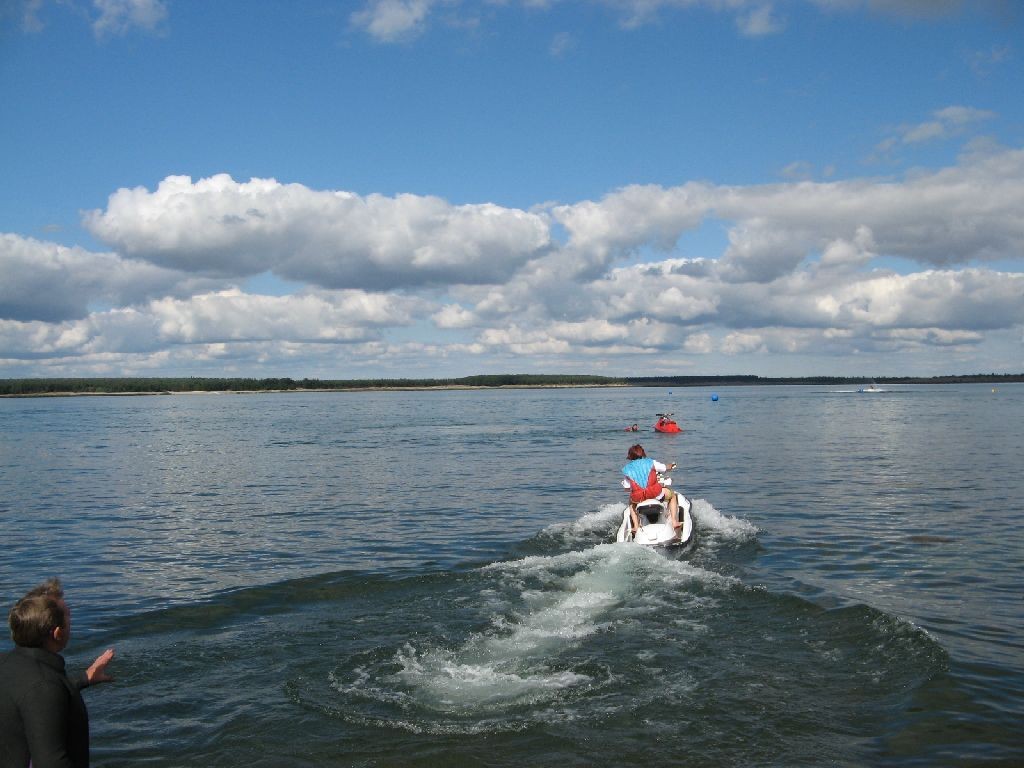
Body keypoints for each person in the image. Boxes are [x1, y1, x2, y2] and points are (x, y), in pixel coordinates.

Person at [1, 578, 115, 768]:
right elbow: (52, 763)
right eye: (68, 616)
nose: (71, 621)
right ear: (57, 633)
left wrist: (83, 679)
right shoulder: (44, 686)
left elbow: (26, 693)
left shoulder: (7, 664)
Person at [621, 444, 680, 534]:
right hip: (655, 494)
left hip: (638, 498)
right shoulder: (651, 462)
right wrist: (672, 465)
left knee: (631, 503)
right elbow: (665, 468)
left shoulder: (627, 469)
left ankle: (636, 526)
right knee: (672, 496)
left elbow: (627, 488)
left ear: (630, 456)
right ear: (642, 453)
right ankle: (674, 522)